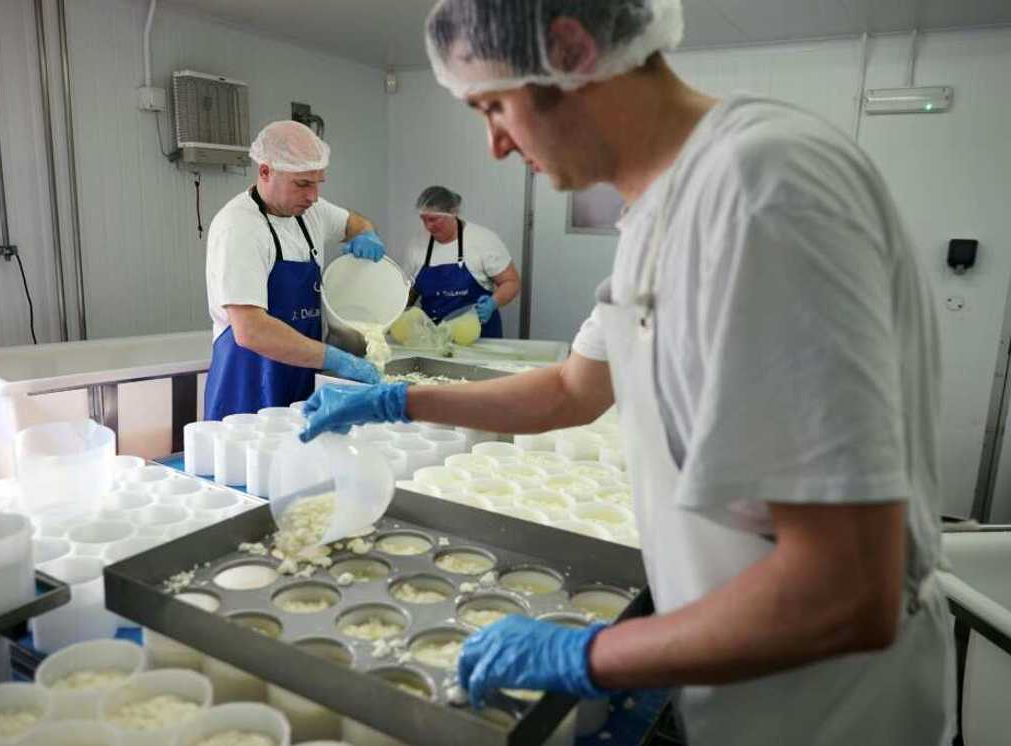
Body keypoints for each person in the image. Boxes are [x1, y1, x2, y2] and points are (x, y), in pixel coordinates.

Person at [298, 1, 956, 744]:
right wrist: (400, 401)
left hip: (829, 705)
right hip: (739, 675)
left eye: (495, 108)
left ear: (574, 51)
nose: (495, 147)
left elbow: (847, 589)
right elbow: (574, 389)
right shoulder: (656, 216)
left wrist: (591, 653)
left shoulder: (762, 191)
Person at [204, 120, 386, 420]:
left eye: (318, 183)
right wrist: (336, 359)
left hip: (301, 374)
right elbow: (251, 330)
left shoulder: (309, 211)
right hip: (248, 382)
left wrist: (366, 233)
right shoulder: (239, 227)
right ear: (265, 172)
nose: (313, 196)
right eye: (302, 184)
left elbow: (354, 222)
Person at [406, 186, 521, 338]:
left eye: (434, 219)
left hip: (479, 339)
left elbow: (511, 282)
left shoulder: (483, 240)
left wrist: (493, 303)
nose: (428, 226)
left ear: (453, 212)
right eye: (424, 219)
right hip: (434, 340)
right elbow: (410, 289)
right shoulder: (417, 244)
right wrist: (400, 311)